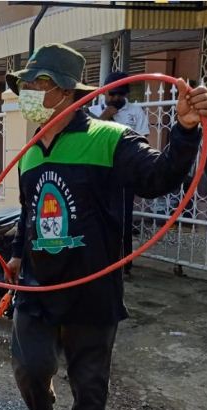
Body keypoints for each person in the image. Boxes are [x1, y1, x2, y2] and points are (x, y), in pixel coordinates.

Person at [4, 43, 207, 410]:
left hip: (92, 287)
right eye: (23, 86)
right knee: (28, 365)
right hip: (38, 285)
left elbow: (159, 177)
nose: (26, 94)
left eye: (35, 86)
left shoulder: (109, 139)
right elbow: (28, 212)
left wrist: (185, 129)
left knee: (90, 383)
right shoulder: (31, 152)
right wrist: (19, 253)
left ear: (62, 92)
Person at [89, 71, 150, 276]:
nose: (116, 99)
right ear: (104, 93)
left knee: (123, 218)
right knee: (97, 216)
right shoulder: (93, 111)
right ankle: (100, 259)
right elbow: (88, 140)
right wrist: (105, 116)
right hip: (99, 172)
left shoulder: (135, 111)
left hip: (124, 173)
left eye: (120, 95)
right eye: (112, 94)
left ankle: (125, 263)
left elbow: (143, 141)